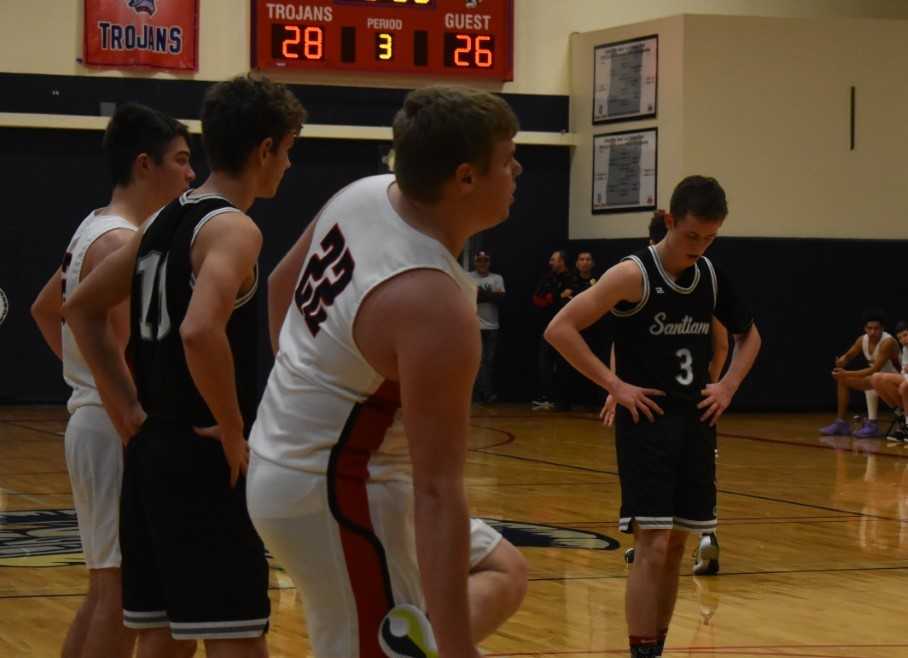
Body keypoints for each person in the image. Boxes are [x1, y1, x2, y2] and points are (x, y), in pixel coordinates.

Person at [246, 86, 527, 658]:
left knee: (502, 570)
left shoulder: (366, 194)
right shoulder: (433, 302)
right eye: (508, 159)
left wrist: (309, 389)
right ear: (466, 178)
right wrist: (456, 648)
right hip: (334, 490)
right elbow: (438, 490)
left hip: (294, 457)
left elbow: (280, 285)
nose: (518, 169)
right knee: (380, 645)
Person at [63, 74, 307, 658]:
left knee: (163, 635)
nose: (290, 165)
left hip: (150, 449)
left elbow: (79, 307)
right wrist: (230, 424)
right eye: (289, 150)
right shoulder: (233, 227)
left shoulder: (162, 221)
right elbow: (200, 330)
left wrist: (124, 404)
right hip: (203, 452)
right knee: (237, 634)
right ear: (265, 148)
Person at [545, 176, 761, 658]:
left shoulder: (709, 275)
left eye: (710, 237)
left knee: (679, 548)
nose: (699, 247)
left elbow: (750, 338)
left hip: (697, 421)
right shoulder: (632, 274)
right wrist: (615, 386)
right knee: (654, 545)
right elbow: (560, 329)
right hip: (648, 423)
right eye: (691, 236)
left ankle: (658, 647)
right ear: (668, 221)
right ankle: (641, 652)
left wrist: (727, 385)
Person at [30, 103, 194, 658]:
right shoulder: (122, 242)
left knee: (107, 591)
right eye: (181, 160)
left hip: (94, 421)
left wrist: (81, 378)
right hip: (115, 428)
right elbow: (120, 352)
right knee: (121, 599)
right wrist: (122, 405)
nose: (191, 174)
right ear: (145, 165)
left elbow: (45, 309)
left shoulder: (93, 229)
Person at [613, 209, 730, 575]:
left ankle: (698, 541)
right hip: (666, 403)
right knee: (673, 483)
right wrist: (614, 386)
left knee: (678, 481)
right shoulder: (639, 275)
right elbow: (624, 343)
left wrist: (716, 385)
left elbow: (725, 342)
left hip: (682, 404)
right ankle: (687, 540)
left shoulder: (701, 281)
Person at [820, 309, 901, 438]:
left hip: (896, 380)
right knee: (842, 380)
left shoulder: (888, 342)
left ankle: (872, 425)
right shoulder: (862, 340)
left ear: (883, 328)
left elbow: (874, 369)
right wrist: (841, 362)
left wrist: (846, 373)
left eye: (876, 328)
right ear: (865, 328)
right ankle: (841, 423)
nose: (873, 332)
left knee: (858, 377)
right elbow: (848, 356)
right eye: (869, 328)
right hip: (875, 379)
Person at [532, 250, 574, 410]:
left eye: (553, 259)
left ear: (562, 261)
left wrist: (556, 297)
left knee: (565, 364)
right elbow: (537, 300)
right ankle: (548, 398)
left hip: (567, 329)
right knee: (545, 364)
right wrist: (556, 297)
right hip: (548, 328)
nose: (550, 262)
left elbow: (573, 298)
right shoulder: (547, 278)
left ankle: (564, 401)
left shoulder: (572, 278)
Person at [470, 250, 505, 403]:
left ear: (489, 262)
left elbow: (500, 299)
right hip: (473, 326)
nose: (482, 263)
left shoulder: (497, 278)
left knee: (488, 362)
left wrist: (480, 294)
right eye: (480, 260)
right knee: (475, 362)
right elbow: (467, 298)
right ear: (475, 262)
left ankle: (484, 394)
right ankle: (484, 394)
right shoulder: (467, 277)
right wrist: (490, 294)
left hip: (492, 327)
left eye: (485, 260)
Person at [869, 320, 908, 441]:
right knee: (875, 378)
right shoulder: (906, 348)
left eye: (905, 335)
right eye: (900, 338)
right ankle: (901, 415)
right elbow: (904, 371)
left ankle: (906, 424)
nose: (903, 340)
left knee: (904, 387)